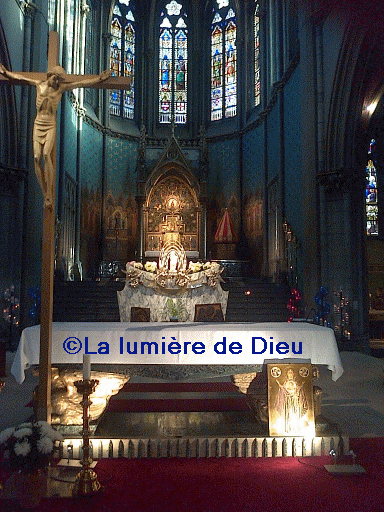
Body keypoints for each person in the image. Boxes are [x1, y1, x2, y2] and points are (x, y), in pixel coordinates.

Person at [0, 64, 111, 208]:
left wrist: (98, 79)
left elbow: (81, 83)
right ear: (51, 75)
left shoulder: (61, 89)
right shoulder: (38, 84)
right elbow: (21, 77)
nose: (57, 82)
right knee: (36, 157)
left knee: (46, 154)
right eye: (56, 79)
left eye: (59, 80)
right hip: (38, 123)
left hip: (50, 124)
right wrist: (7, 73)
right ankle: (45, 191)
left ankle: (49, 194)